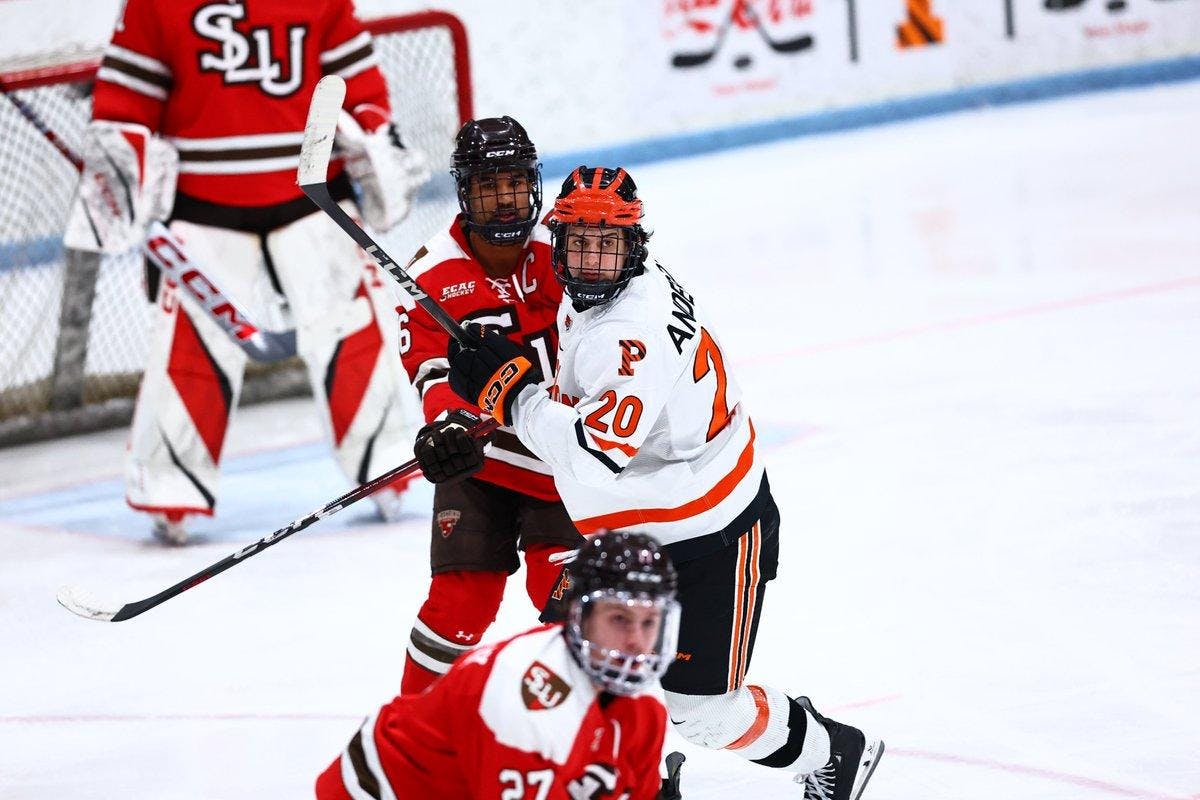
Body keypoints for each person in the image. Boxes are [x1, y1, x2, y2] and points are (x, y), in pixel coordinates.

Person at [445, 167, 884, 800]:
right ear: (559, 242)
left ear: (634, 245)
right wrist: (512, 383)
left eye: (608, 245)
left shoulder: (633, 332)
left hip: (712, 534)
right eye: (579, 244)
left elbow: (592, 455)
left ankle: (835, 753)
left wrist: (511, 399)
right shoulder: (606, 292)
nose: (593, 262)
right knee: (568, 679)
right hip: (626, 533)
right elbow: (580, 387)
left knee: (705, 714)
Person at [74, 0, 426, 544]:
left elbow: (361, 88)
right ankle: (172, 490)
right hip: (201, 204)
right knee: (191, 346)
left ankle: (386, 467)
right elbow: (126, 101)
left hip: (314, 196)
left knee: (351, 325)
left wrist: (371, 141)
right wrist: (124, 162)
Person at [399, 116, 584, 694]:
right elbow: (431, 370)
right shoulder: (430, 272)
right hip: (480, 459)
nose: (505, 200)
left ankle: (599, 753)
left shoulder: (565, 254)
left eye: (514, 183)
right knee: (460, 605)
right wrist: (446, 425)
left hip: (558, 461)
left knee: (573, 607)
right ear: (464, 190)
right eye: (488, 185)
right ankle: (408, 742)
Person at [316, 530, 679, 800]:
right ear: (579, 615)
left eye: (649, 623)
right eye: (619, 619)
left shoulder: (641, 710)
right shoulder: (527, 697)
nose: (636, 640)